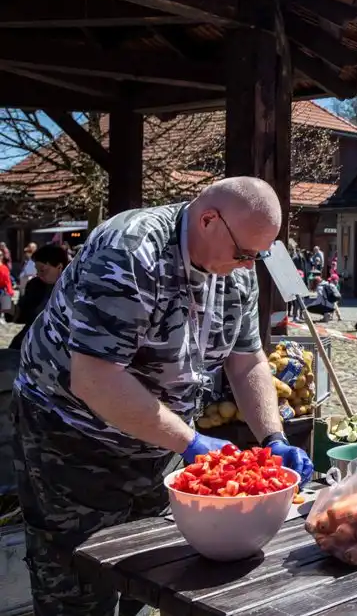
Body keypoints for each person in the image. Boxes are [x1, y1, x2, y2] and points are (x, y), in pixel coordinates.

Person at [12, 177, 314, 616]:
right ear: (209, 219)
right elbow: (95, 378)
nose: (250, 267)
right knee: (74, 585)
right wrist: (190, 443)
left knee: (141, 576)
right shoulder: (131, 250)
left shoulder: (235, 273)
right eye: (245, 254)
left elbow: (246, 361)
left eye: (259, 257)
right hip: (69, 437)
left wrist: (272, 436)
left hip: (153, 442)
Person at [9, 244, 69, 350]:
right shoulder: (35, 285)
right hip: (27, 342)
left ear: (59, 267)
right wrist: (10, 309)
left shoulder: (72, 289)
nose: (39, 274)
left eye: (42, 270)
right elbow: (23, 314)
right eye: (37, 270)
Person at [0, 254, 13, 324]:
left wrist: (9, 290)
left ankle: (1, 317)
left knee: (3, 304)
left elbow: (7, 280)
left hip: (2, 289)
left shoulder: (4, 268)